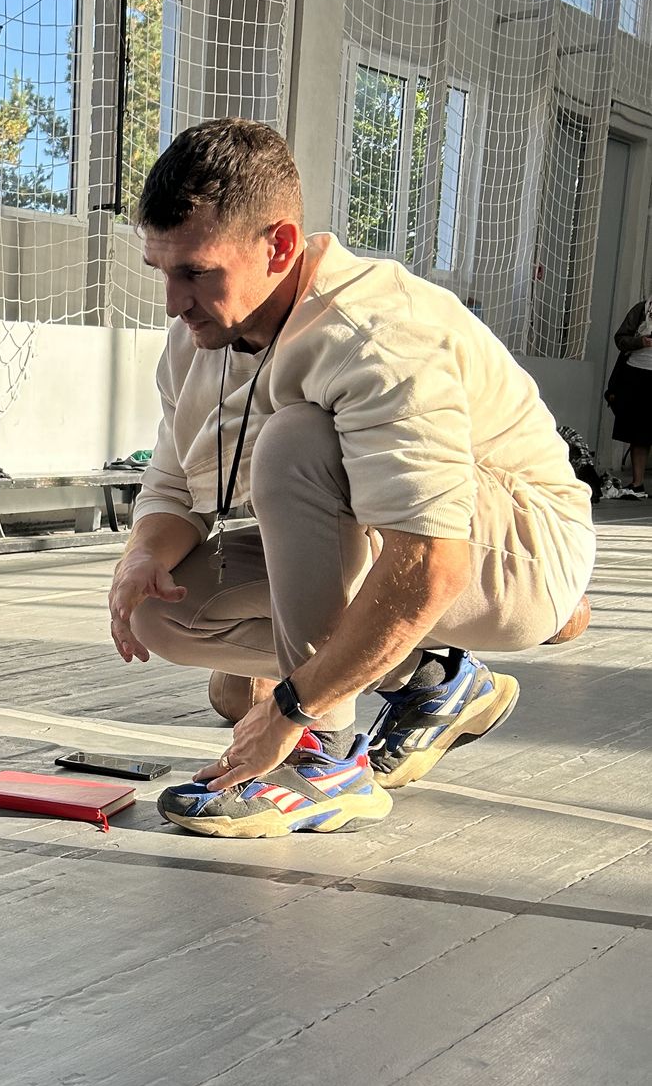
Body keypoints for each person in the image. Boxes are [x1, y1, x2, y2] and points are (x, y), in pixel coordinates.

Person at [107, 119, 595, 839]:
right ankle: (434, 680)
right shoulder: (199, 338)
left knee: (296, 440)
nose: (173, 302)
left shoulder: (375, 334)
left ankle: (327, 759)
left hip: (521, 549)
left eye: (196, 273)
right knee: (162, 610)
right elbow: (174, 486)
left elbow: (431, 563)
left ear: (279, 246)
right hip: (402, 544)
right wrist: (143, 554)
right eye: (163, 272)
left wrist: (292, 709)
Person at [606, 298, 652, 497]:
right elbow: (620, 339)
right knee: (639, 432)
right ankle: (637, 483)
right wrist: (640, 342)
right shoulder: (642, 309)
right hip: (636, 373)